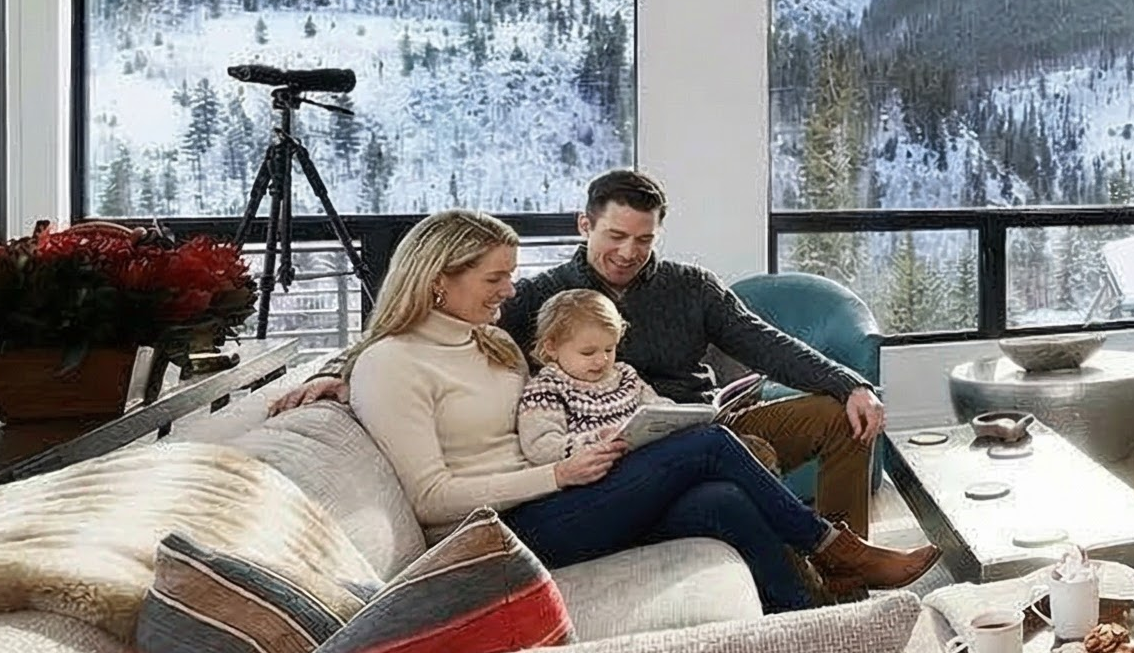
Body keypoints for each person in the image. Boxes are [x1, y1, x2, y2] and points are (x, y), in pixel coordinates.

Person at [344, 210, 937, 613]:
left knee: (724, 501)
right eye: (495, 278)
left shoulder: (489, 338)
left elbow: (763, 340)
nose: (508, 290)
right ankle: (837, 550)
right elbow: (427, 497)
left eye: (510, 276)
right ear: (438, 280)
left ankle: (810, 628)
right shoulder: (392, 364)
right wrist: (557, 473)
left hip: (571, 492)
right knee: (710, 448)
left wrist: (848, 382)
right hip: (506, 528)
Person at [279, 168, 889, 535]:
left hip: (706, 421)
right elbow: (423, 325)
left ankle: (848, 565)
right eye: (616, 236)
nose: (629, 251)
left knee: (841, 418)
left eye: (644, 240)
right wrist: (341, 368)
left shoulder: (690, 286)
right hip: (610, 451)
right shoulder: (538, 298)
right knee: (742, 454)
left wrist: (848, 382)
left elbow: (764, 342)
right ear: (584, 226)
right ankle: (809, 567)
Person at [515, 288, 666, 465]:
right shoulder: (546, 389)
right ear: (552, 348)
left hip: (644, 459)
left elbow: (658, 409)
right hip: (595, 475)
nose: (602, 360)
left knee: (705, 490)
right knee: (704, 443)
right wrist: (595, 440)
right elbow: (540, 448)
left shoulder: (626, 376)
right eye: (588, 353)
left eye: (609, 349)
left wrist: (678, 416)